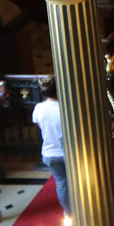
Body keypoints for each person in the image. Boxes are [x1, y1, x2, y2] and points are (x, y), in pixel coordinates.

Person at [33, 75, 67, 217]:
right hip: (66, 153)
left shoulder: (39, 108)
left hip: (49, 152)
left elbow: (39, 124)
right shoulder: (64, 108)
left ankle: (69, 213)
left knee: (61, 184)